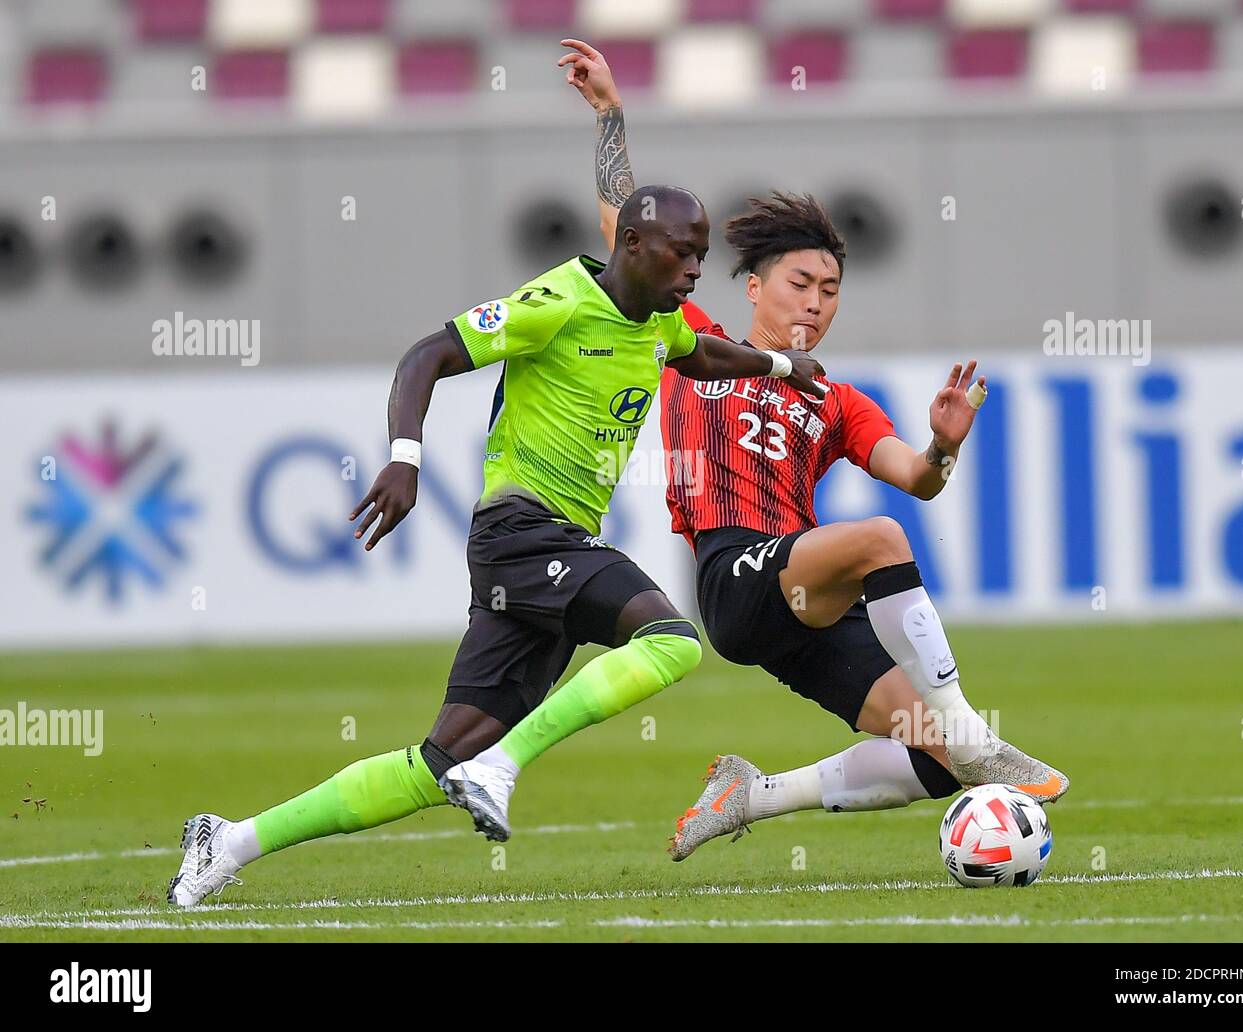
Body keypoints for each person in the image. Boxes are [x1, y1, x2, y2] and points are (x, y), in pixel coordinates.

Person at [166, 182, 827, 905]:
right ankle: (502, 767)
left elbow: (699, 356)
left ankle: (226, 841)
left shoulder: (657, 322)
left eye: (701, 256)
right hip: (522, 532)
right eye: (682, 253)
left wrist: (784, 367)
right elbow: (426, 356)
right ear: (632, 246)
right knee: (672, 641)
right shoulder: (557, 303)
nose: (696, 270)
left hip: (545, 554)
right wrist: (404, 458)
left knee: (438, 760)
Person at [558, 38, 1069, 862]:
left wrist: (940, 448)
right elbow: (626, 230)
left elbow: (916, 479)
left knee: (932, 760)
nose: (817, 303)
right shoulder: (692, 343)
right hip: (738, 578)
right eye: (801, 283)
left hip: (811, 605)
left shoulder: (833, 397)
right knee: (882, 541)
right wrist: (611, 114)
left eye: (831, 290)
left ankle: (751, 794)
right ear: (754, 287)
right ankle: (981, 739)